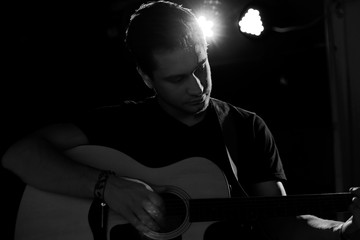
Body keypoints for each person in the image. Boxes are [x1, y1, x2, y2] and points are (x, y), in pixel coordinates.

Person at [2, 1, 359, 239]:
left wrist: (342, 230)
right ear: (146, 78)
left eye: (201, 66)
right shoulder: (121, 123)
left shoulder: (245, 128)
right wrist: (108, 187)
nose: (197, 87)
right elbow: (19, 154)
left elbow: (280, 219)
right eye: (176, 79)